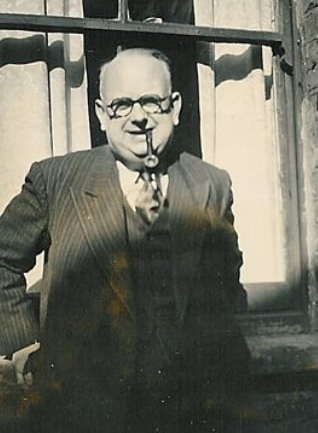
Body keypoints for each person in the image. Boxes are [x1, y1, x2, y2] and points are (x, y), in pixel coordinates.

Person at [0, 47, 250, 433]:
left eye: (151, 101)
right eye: (121, 105)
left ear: (176, 107)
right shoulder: (56, 180)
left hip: (188, 410)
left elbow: (225, 277)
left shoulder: (211, 183)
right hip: (81, 411)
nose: (138, 118)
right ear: (102, 114)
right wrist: (23, 343)